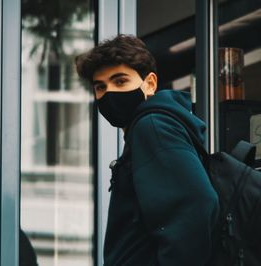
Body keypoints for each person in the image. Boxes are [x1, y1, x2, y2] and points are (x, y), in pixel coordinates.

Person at [75, 34, 219, 266]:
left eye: (120, 81)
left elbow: (196, 206)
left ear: (150, 84)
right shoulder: (152, 127)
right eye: (100, 86)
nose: (108, 93)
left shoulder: (152, 127)